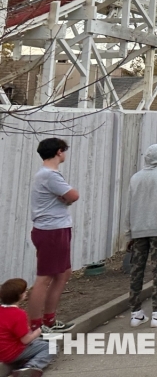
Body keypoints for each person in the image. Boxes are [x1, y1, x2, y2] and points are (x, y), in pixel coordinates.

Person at [27, 137, 78, 333]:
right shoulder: (50, 175)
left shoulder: (49, 175)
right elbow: (73, 195)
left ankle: (49, 318)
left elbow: (67, 197)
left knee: (63, 273)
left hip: (57, 227)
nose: (64, 153)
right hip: (51, 230)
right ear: (59, 151)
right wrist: (67, 198)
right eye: (63, 150)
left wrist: (66, 199)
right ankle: (36, 325)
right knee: (45, 277)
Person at [126, 144, 157, 328]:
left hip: (138, 229)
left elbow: (129, 206)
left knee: (136, 270)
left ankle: (136, 312)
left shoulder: (135, 178)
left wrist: (129, 232)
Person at [0, 278, 53, 377]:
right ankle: (31, 366)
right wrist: (37, 332)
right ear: (20, 295)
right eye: (24, 291)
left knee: (39, 343)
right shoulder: (19, 314)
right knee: (51, 346)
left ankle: (24, 362)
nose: (26, 292)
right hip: (10, 352)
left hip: (2, 349)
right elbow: (25, 340)